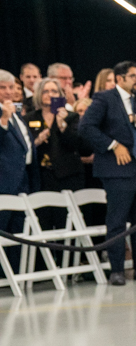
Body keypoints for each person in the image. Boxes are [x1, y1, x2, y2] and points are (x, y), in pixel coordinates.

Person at [78, 61, 136, 286]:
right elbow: (86, 127)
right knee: (117, 222)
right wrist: (112, 145)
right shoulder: (104, 99)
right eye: (133, 76)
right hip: (117, 170)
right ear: (120, 78)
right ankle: (117, 270)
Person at [27, 79, 86, 213]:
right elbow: (25, 146)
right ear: (38, 95)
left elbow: (78, 145)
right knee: (43, 218)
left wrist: (62, 126)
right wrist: (37, 141)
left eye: (54, 91)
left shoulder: (71, 117)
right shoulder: (29, 118)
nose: (50, 94)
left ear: (60, 95)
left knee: (66, 218)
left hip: (67, 175)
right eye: (45, 91)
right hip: (41, 177)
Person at [0, 72, 39, 259]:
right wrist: (3, 121)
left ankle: (15, 275)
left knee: (19, 230)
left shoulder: (15, 112)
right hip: (3, 182)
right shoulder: (6, 114)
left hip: (23, 179)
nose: (8, 92)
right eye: (2, 88)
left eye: (11, 87)